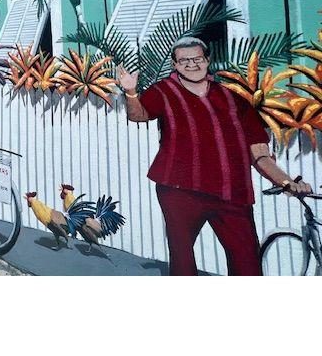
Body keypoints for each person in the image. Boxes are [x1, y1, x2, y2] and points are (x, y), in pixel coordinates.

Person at [117, 36, 312, 276]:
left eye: (197, 59)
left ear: (207, 60)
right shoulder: (163, 91)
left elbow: (259, 154)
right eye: (184, 61)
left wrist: (286, 181)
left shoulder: (234, 99)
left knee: (247, 264)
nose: (192, 64)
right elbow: (139, 115)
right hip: (180, 190)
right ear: (175, 65)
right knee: (183, 261)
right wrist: (130, 92)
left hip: (233, 193)